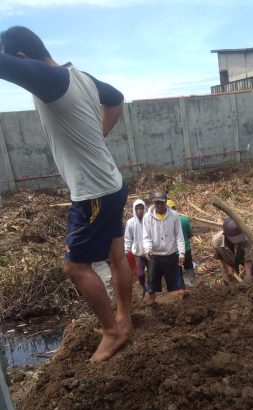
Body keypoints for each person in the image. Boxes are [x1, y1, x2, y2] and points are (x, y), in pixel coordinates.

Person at [0, 26, 133, 362]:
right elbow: (116, 99)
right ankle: (125, 319)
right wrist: (99, 136)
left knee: (75, 266)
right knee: (116, 254)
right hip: (112, 182)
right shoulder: (80, 77)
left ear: (21, 57)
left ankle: (113, 331)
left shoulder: (50, 80)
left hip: (93, 194)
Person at [143, 191, 186, 303]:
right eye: (157, 203)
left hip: (171, 255)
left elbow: (179, 235)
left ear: (166, 202)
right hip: (154, 256)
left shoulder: (174, 215)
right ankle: (152, 305)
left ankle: (177, 305)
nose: (159, 206)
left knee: (175, 285)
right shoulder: (148, 217)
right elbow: (146, 236)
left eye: (161, 203)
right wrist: (147, 249)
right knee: (152, 285)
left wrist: (181, 253)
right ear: (153, 203)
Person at [212, 218, 253, 284]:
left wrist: (248, 279)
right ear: (225, 235)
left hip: (242, 256)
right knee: (230, 284)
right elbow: (219, 257)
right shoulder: (216, 241)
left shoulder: (245, 238)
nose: (236, 241)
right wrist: (228, 266)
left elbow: (248, 259)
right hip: (228, 260)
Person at [166, 199, 196, 288]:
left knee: (177, 271)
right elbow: (190, 234)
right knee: (189, 267)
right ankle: (194, 285)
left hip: (174, 252)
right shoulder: (184, 220)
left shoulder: (165, 223)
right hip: (186, 249)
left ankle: (182, 288)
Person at [124, 199, 150, 297]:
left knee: (152, 274)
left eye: (141, 208)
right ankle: (144, 287)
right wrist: (126, 251)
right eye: (137, 208)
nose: (139, 210)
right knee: (140, 274)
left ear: (144, 208)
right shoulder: (130, 222)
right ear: (134, 210)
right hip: (138, 253)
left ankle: (151, 293)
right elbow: (128, 238)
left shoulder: (149, 220)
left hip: (150, 252)